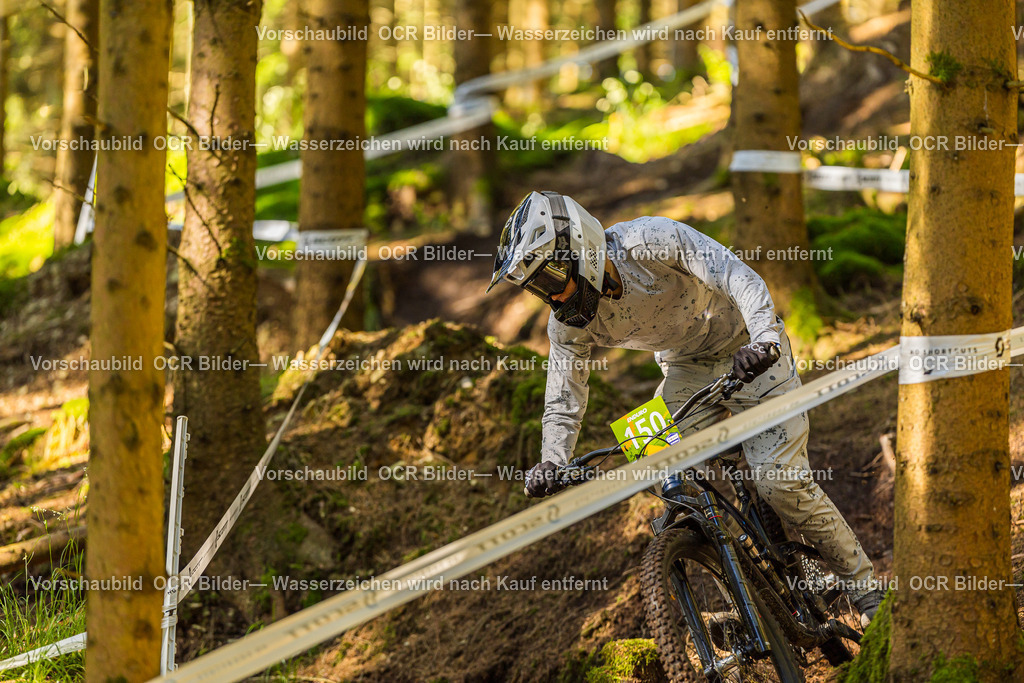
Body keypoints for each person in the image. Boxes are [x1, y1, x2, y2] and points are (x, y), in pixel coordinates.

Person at [486, 190, 883, 624]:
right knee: (649, 456)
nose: (552, 299)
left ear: (579, 249)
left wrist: (764, 339)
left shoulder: (648, 241)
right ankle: (735, 578)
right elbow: (563, 394)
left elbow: (735, 274)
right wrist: (552, 461)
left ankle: (867, 593)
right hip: (686, 368)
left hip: (749, 353)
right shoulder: (567, 325)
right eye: (538, 290)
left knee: (780, 485)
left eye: (549, 280)